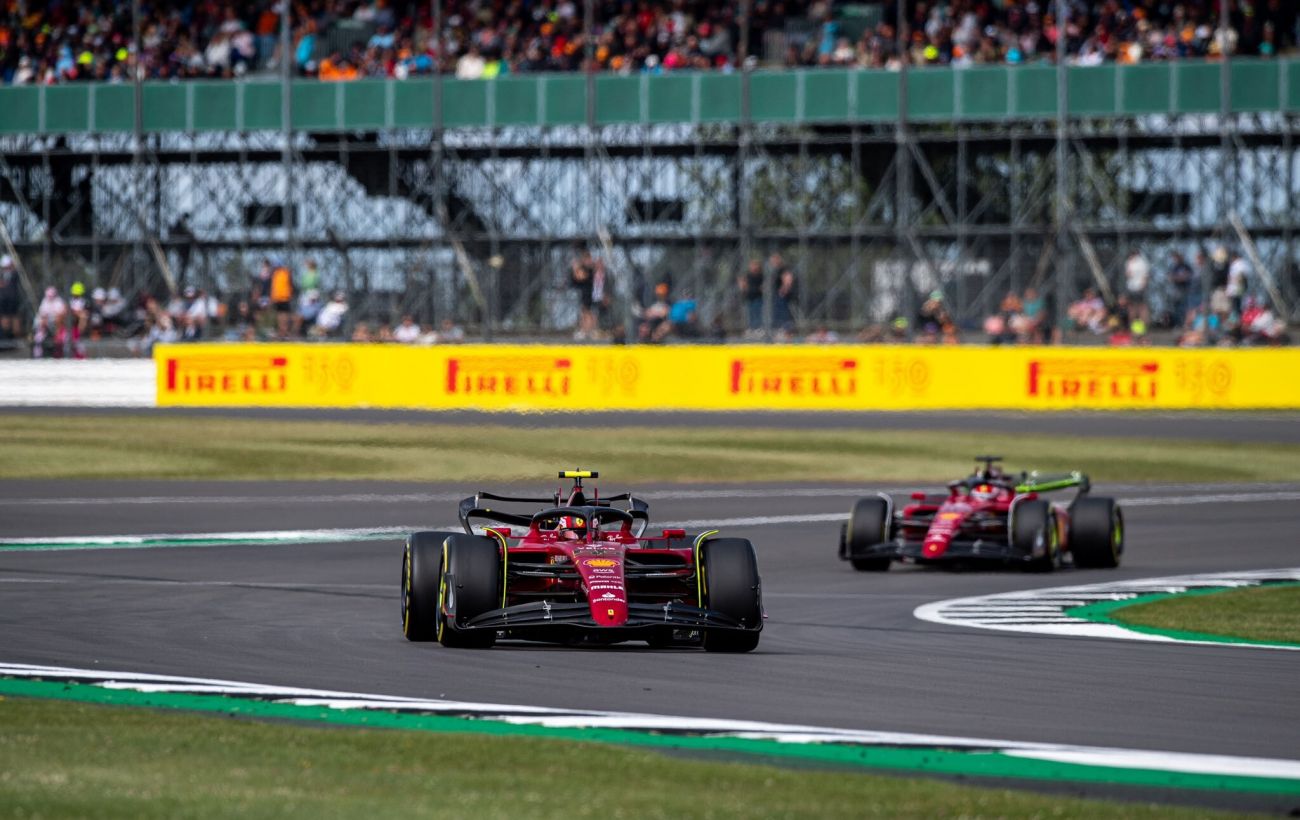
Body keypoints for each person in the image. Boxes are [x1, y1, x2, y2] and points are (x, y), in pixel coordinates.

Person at [737, 257, 764, 337]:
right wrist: (743, 286)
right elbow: (742, 284)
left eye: (755, 265)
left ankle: (758, 328)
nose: (753, 267)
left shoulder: (761, 275)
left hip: (758, 297)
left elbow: (763, 286)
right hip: (749, 297)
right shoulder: (747, 275)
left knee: (757, 312)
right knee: (749, 313)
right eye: (752, 265)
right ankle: (750, 329)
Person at [0, 255, 21, 340]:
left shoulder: (14, 274)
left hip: (12, 299)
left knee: (14, 317)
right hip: (3, 299)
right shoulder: (2, 274)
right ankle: (6, 335)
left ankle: (15, 335)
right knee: (4, 317)